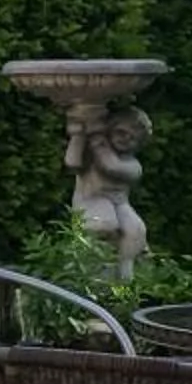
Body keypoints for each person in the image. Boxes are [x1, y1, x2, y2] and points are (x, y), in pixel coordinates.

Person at [68, 102, 150, 276]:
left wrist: (96, 137)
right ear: (110, 130)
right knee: (105, 225)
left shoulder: (132, 165)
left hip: (119, 204)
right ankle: (94, 274)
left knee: (136, 230)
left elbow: (111, 165)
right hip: (90, 200)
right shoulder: (92, 155)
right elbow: (72, 162)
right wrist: (78, 136)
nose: (125, 139)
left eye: (132, 137)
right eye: (121, 132)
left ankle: (125, 273)